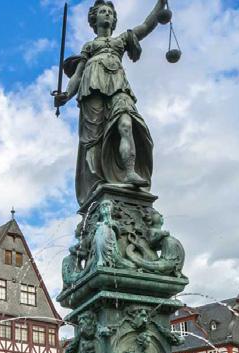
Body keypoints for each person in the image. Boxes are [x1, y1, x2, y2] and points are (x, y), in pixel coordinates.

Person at [54, 0, 169, 205]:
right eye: (102, 11)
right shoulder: (89, 46)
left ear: (114, 20)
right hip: (92, 87)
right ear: (94, 19)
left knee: (126, 124)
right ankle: (97, 183)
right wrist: (66, 95)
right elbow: (78, 76)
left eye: (110, 12)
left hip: (118, 85)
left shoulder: (121, 40)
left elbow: (146, 26)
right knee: (93, 139)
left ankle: (130, 171)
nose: (107, 14)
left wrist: (160, 5)